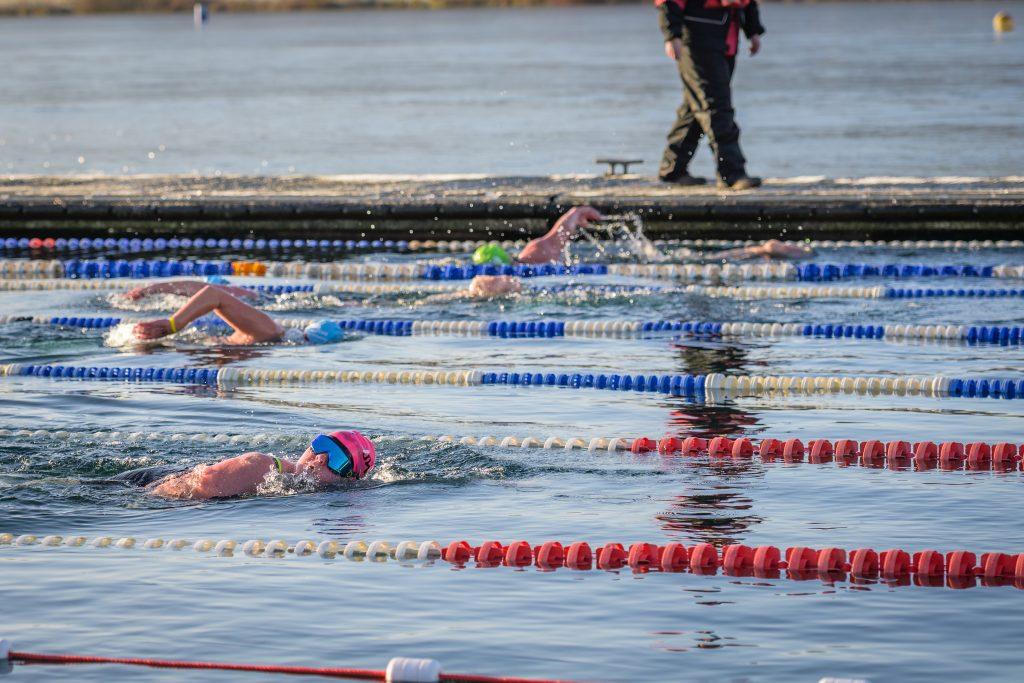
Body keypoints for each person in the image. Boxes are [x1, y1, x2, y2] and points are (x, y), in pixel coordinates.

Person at [656, 0, 766, 190]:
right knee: (715, 106)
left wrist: (753, 31)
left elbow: (748, 3)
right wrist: (671, 35)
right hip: (695, 39)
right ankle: (731, 174)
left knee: (695, 109)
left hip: (726, 41)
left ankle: (673, 170)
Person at [144, 430, 376, 499]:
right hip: (142, 485)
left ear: (350, 480)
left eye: (338, 460)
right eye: (322, 445)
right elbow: (161, 492)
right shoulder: (261, 467)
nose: (320, 458)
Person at [128, 279, 343, 345]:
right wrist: (172, 325)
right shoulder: (270, 331)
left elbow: (213, 292)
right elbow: (211, 293)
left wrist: (172, 325)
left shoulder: (271, 333)